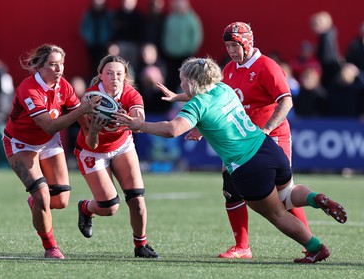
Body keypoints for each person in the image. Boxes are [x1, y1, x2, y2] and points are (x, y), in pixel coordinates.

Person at [114, 57, 347, 263]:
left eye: (182, 80)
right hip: (268, 148)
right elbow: (203, 97)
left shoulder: (198, 105)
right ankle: (316, 198)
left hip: (248, 165)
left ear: (192, 82)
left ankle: (316, 249)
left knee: (277, 213)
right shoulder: (223, 89)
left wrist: (138, 125)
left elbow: (173, 129)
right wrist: (178, 98)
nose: (181, 83)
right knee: (288, 195)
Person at [157, 22, 312, 259]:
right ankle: (242, 246)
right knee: (231, 190)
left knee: (284, 193)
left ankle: (308, 239)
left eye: (235, 45)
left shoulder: (267, 66)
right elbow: (213, 99)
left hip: (271, 137)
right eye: (228, 45)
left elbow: (286, 101)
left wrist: (267, 129)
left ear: (247, 43)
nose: (231, 50)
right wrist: (186, 108)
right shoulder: (228, 69)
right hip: (240, 141)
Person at [2, 44, 97, 259]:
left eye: (61, 64)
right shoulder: (29, 89)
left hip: (48, 142)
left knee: (61, 201)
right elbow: (50, 125)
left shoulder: (64, 86)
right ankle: (50, 247)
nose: (59, 69)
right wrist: (83, 109)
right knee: (43, 196)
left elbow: (84, 122)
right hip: (21, 144)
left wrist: (98, 127)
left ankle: (37, 203)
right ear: (39, 67)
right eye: (53, 65)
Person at [74, 55, 159, 258]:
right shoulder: (89, 99)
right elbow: (91, 142)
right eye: (109, 73)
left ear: (125, 76)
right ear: (100, 75)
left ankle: (141, 245)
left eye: (119, 73)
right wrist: (94, 130)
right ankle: (86, 208)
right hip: (92, 151)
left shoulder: (130, 94)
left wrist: (132, 121)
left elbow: (139, 120)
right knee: (109, 207)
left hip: (122, 146)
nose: (114, 77)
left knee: (137, 198)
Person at [161, 0, 203, 92]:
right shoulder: (171, 18)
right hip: (170, 55)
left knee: (185, 80)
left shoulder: (191, 19)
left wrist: (191, 50)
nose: (180, 7)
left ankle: (181, 102)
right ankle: (170, 102)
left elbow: (197, 36)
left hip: (185, 56)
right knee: (171, 79)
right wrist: (166, 48)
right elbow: (165, 34)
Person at [79, 0, 115, 79]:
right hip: (92, 45)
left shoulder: (108, 14)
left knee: (105, 64)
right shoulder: (88, 14)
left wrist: (108, 39)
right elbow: (83, 29)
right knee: (93, 65)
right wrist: (89, 39)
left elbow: (112, 28)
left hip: (104, 45)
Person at [310, 11, 343, 91]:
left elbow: (327, 57)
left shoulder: (326, 37)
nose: (316, 26)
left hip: (330, 72)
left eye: (318, 23)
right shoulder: (327, 35)